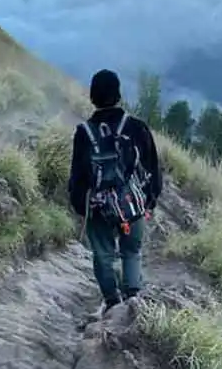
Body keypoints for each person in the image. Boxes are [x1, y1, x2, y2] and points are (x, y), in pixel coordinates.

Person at [68, 69, 163, 314]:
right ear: (119, 95)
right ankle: (133, 299)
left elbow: (77, 176)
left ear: (92, 97)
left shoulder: (84, 133)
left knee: (103, 255)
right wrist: (149, 201)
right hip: (132, 205)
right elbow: (152, 167)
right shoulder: (136, 127)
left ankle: (112, 301)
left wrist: (82, 206)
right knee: (131, 251)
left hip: (98, 206)